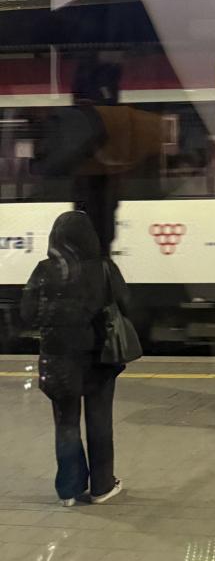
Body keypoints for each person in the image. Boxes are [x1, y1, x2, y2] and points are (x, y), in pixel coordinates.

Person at [21, 210, 130, 507]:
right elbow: (126, 305)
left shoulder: (44, 270)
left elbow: (27, 313)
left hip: (58, 359)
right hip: (99, 357)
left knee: (66, 423)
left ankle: (69, 490)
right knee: (99, 420)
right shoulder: (104, 268)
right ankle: (102, 487)